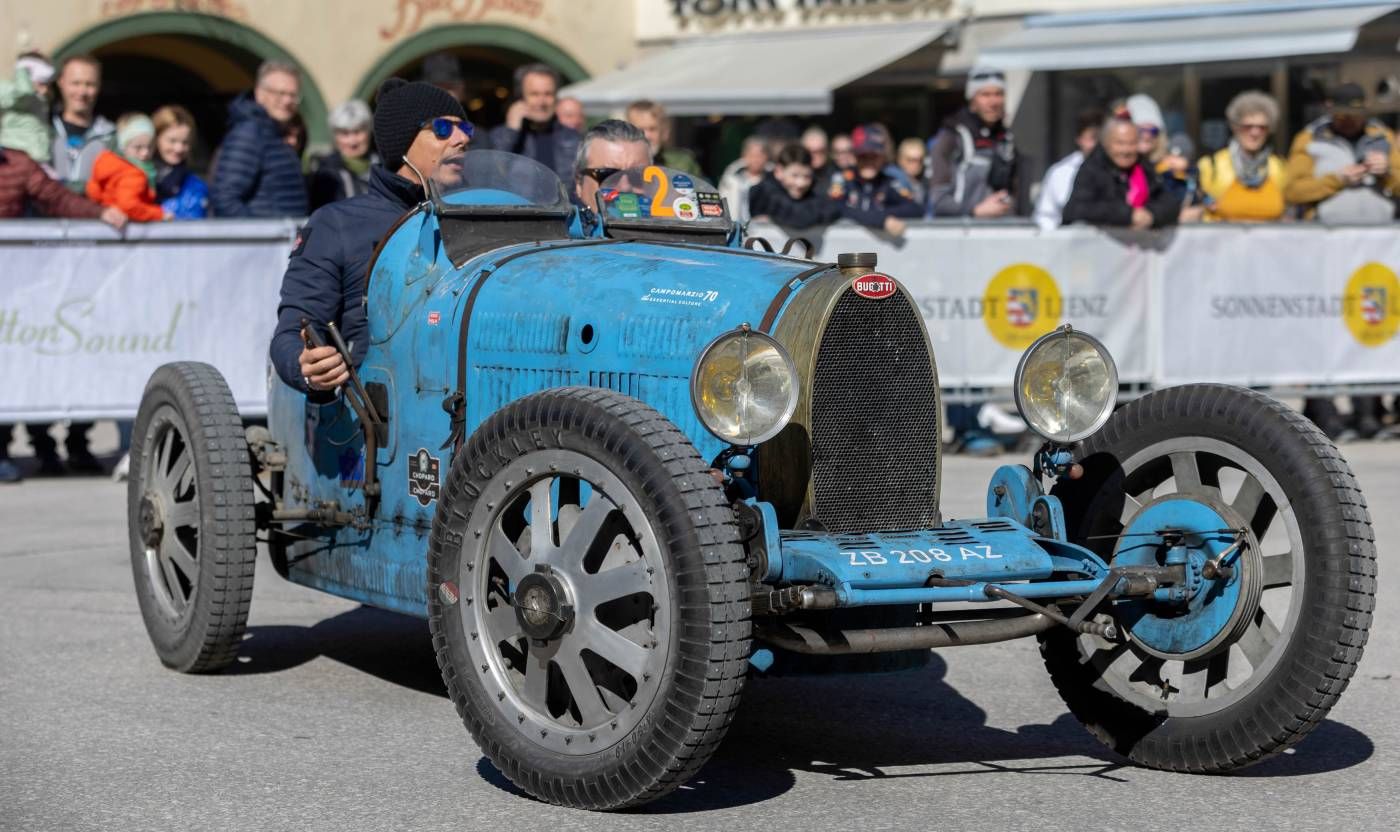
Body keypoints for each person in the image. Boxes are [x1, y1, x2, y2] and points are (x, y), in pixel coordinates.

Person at [270, 78, 471, 395]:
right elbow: (295, 326)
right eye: (443, 129)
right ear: (404, 143)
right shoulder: (336, 224)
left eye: (465, 129)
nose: (461, 139)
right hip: (374, 418)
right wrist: (305, 366)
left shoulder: (478, 217)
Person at [0, 144, 125, 482]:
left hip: (12, 288)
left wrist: (98, 212)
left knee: (20, 366)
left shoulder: (17, 162)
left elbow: (55, 198)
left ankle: (34, 444)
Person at [1284, 82, 1400, 224]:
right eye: (1342, 115)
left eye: (1355, 115)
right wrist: (1337, 180)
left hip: (1380, 235)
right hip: (1327, 235)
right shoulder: (1309, 139)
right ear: (1329, 108)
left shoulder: (1383, 136)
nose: (1349, 120)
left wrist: (1386, 173)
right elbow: (1292, 191)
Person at [210, 60, 308, 218]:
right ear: (260, 93)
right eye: (280, 93)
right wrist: (259, 236)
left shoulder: (273, 132)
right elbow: (225, 198)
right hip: (265, 239)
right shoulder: (250, 132)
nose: (287, 101)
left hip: (284, 238)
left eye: (293, 95)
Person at [928, 67, 1022, 219]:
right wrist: (975, 211)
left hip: (999, 233)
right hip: (959, 234)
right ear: (972, 99)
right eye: (985, 94)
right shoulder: (952, 137)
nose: (993, 102)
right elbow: (938, 202)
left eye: (999, 94)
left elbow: (1014, 192)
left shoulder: (1006, 139)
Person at [1063, 117, 1180, 230]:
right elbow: (1077, 209)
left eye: (1132, 143)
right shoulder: (1092, 169)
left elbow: (1169, 202)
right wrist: (1127, 215)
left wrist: (1151, 215)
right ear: (1106, 144)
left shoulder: (1143, 167)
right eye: (1120, 143)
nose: (1126, 150)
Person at [1198, 90, 1288, 223]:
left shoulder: (1279, 167)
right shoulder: (1211, 165)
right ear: (1235, 127)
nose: (1255, 132)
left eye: (1262, 127)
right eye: (1248, 126)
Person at [487, 63, 579, 183]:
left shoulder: (573, 139)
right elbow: (492, 175)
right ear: (520, 97)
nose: (541, 102)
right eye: (534, 94)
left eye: (548, 94)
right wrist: (511, 131)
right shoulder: (500, 136)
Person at [830, 124, 923, 236]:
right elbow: (837, 208)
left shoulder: (889, 181)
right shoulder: (842, 179)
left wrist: (883, 215)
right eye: (863, 156)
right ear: (854, 156)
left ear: (883, 157)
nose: (869, 161)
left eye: (874, 156)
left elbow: (915, 208)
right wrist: (881, 220)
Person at [85, 112, 167, 222]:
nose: (145, 153)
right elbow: (129, 206)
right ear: (123, 147)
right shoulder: (135, 174)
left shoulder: (106, 164)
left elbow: (93, 191)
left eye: (150, 147)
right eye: (138, 147)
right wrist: (159, 214)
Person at [49, 54, 114, 189]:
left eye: (89, 84)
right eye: (76, 83)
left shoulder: (111, 137)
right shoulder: (44, 129)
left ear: (99, 86)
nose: (82, 91)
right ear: (61, 82)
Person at [1034, 107, 1102, 231]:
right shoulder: (1060, 172)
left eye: (1102, 138)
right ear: (1079, 139)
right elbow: (1045, 216)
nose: (1098, 144)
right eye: (1093, 138)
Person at [573, 118, 652, 223]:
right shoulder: (557, 236)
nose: (625, 187)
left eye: (637, 176)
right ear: (579, 184)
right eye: (608, 176)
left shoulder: (673, 236)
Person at [747, 143, 842, 229]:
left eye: (807, 176)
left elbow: (834, 208)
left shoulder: (814, 187)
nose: (800, 183)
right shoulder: (762, 192)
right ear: (778, 172)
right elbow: (799, 218)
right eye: (794, 175)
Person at [309, 99, 377, 211]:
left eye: (358, 131)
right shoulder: (326, 173)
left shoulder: (382, 165)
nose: (352, 141)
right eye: (345, 134)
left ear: (369, 131)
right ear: (334, 137)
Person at [152, 104, 208, 219]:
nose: (179, 148)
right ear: (156, 138)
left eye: (185, 142)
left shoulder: (195, 185)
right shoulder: (139, 177)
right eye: (172, 141)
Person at [1, 52, 54, 165]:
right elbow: (22, 95)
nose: (45, 90)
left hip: (36, 164)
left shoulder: (39, 102)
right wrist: (23, 69)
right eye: (41, 83)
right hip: (14, 162)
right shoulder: (10, 92)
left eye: (48, 84)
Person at [624, 99, 701, 176]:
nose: (647, 136)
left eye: (652, 129)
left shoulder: (683, 164)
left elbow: (701, 187)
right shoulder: (618, 164)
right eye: (640, 129)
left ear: (664, 132)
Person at [717, 135, 769, 223]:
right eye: (752, 155)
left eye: (760, 155)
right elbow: (721, 203)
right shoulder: (731, 178)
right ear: (744, 156)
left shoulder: (774, 179)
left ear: (767, 157)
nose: (756, 159)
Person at [1157, 133, 1204, 223]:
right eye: (1171, 156)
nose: (1174, 161)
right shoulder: (1163, 175)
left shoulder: (1193, 176)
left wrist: (1207, 201)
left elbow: (1199, 193)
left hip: (1189, 216)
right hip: (1169, 216)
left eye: (1179, 157)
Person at [1126, 93, 1167, 166]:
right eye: (1140, 130)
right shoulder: (1114, 169)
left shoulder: (1164, 168)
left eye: (1153, 131)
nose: (1147, 135)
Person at [894, 137, 928, 209]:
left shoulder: (925, 182)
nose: (916, 165)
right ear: (900, 160)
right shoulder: (892, 182)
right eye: (910, 160)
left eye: (920, 160)